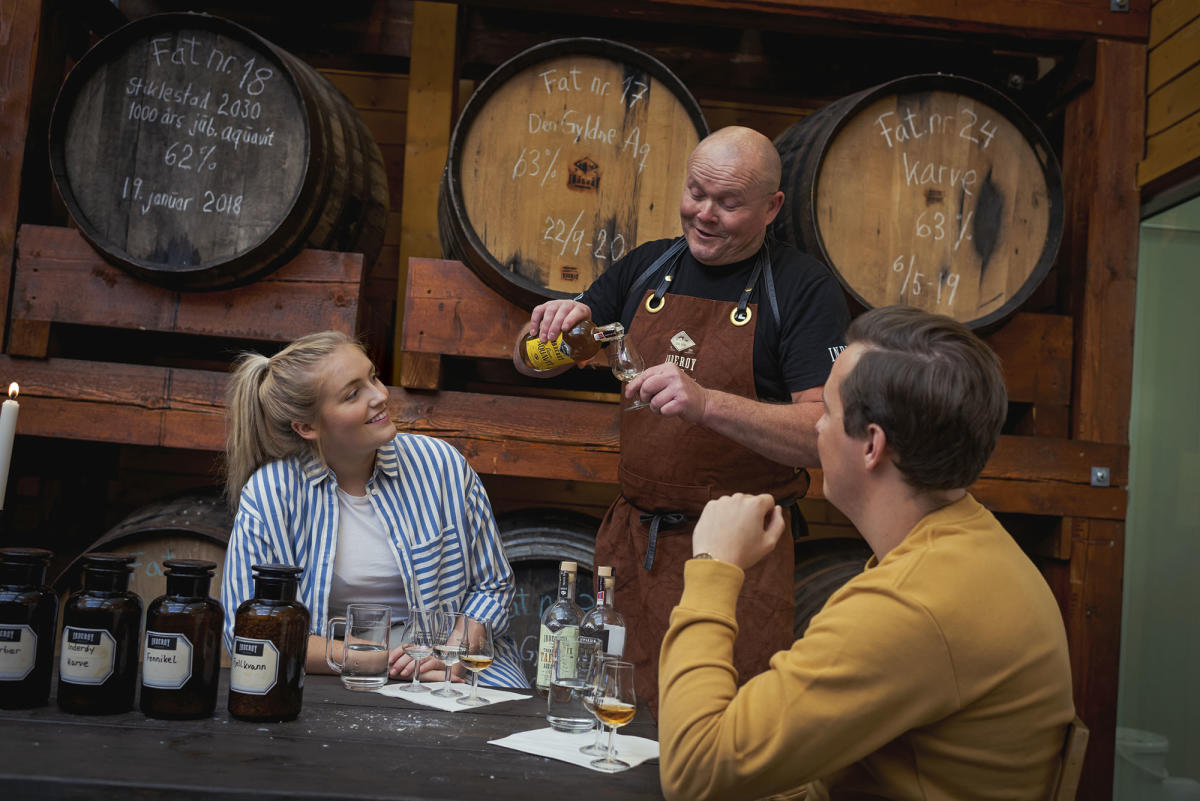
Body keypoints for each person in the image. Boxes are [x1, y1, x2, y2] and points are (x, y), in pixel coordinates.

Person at [657, 306, 1076, 801]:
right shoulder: (971, 544)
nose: (816, 429)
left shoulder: (912, 605)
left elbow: (696, 773)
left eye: (828, 413)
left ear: (872, 445)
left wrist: (713, 568)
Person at [513, 126, 850, 710]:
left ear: (771, 208)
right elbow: (528, 361)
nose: (705, 214)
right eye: (696, 192)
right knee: (607, 713)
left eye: (728, 202)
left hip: (739, 557)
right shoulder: (646, 267)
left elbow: (824, 433)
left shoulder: (801, 289)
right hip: (630, 549)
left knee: (718, 727)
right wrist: (554, 334)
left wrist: (707, 403)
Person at [222, 331, 527, 688]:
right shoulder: (272, 494)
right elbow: (252, 634)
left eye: (373, 377)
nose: (381, 395)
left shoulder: (441, 466)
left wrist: (452, 653)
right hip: (333, 674)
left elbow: (493, 585)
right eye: (353, 394)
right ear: (307, 427)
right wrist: (380, 660)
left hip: (454, 665)